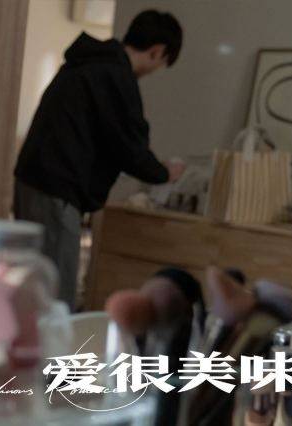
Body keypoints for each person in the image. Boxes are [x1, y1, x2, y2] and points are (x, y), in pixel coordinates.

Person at [12, 10, 185, 311]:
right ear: (157, 51)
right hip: (57, 189)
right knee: (56, 294)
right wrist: (164, 173)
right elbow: (130, 147)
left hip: (32, 180)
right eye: (161, 63)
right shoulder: (114, 76)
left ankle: (24, 340)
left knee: (33, 281)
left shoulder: (88, 62)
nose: (155, 70)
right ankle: (50, 344)